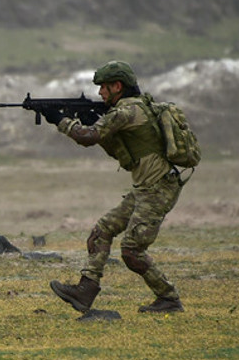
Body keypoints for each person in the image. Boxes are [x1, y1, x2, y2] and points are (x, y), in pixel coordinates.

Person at [46, 61, 185, 314]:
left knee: (132, 251)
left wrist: (60, 120)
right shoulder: (133, 108)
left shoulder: (127, 111)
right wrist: (92, 121)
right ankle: (86, 290)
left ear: (117, 86)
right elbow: (119, 150)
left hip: (158, 189)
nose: (100, 93)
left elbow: (87, 137)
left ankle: (169, 298)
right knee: (101, 232)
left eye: (104, 88)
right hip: (146, 188)